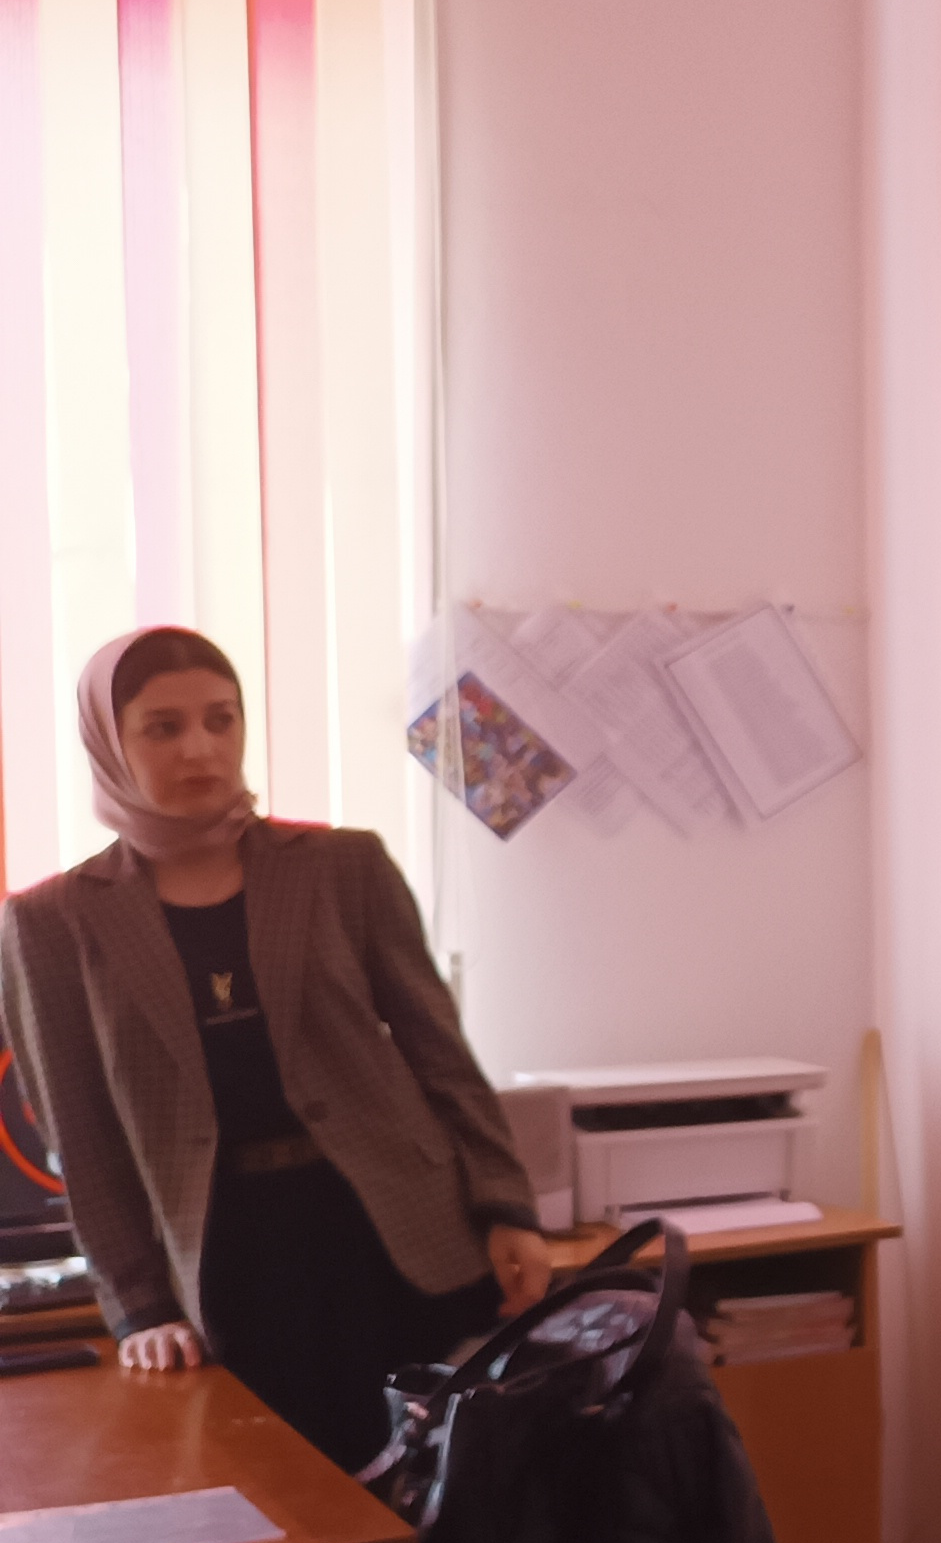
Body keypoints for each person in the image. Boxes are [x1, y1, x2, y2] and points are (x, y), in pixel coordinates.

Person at [0, 627, 551, 1468]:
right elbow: (79, 1133)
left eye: (221, 719)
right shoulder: (51, 923)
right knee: (289, 1495)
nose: (201, 748)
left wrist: (505, 1206)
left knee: (451, 1485)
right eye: (163, 728)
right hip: (228, 1256)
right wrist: (141, 1306)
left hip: (393, 1230)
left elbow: (440, 1056)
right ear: (109, 744)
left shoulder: (341, 866)